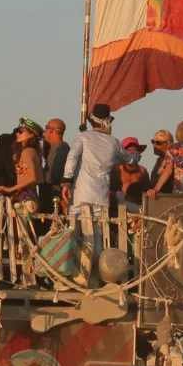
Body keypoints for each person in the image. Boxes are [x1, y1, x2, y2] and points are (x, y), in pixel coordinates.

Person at [61, 105, 124, 275]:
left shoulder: (83, 137)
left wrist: (66, 181)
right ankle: (96, 274)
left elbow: (72, 157)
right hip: (100, 197)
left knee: (72, 233)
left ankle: (70, 273)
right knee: (97, 239)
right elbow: (128, 159)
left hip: (80, 194)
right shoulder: (114, 142)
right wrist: (135, 157)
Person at [0, 121, 44, 214]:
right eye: (17, 131)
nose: (17, 133)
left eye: (21, 131)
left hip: (26, 198)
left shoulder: (27, 152)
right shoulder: (33, 151)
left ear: (31, 135)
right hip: (27, 196)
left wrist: (10, 189)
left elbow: (32, 177)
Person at [113, 137, 151, 216]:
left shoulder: (143, 171)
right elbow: (109, 192)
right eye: (129, 150)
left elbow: (147, 192)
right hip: (120, 209)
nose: (132, 153)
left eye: (135, 150)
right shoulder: (117, 169)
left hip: (139, 210)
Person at [40, 119, 70, 211]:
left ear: (50, 130)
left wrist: (38, 174)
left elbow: (52, 176)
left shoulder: (58, 149)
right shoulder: (62, 147)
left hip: (54, 196)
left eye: (46, 128)